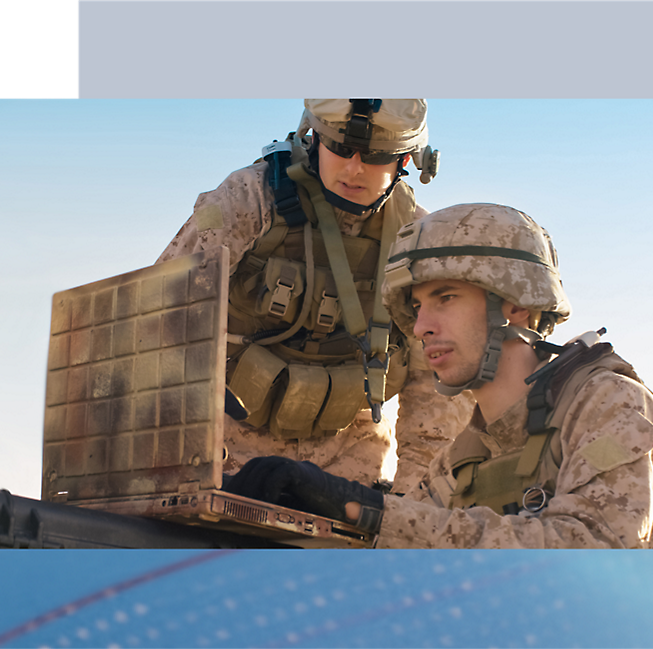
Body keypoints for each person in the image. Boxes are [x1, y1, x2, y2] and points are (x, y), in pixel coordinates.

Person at [225, 203, 653, 549]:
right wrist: (296, 512)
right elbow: (404, 541)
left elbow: (589, 552)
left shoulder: (608, 406)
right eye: (416, 307)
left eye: (446, 298)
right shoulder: (462, 458)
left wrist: (361, 507)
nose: (420, 327)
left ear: (515, 304)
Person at [157, 99, 474, 492]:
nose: (354, 168)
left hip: (348, 466)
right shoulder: (250, 199)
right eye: (340, 148)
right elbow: (162, 311)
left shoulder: (416, 238)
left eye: (375, 157)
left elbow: (437, 381)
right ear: (313, 139)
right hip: (224, 448)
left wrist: (408, 496)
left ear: (407, 161)